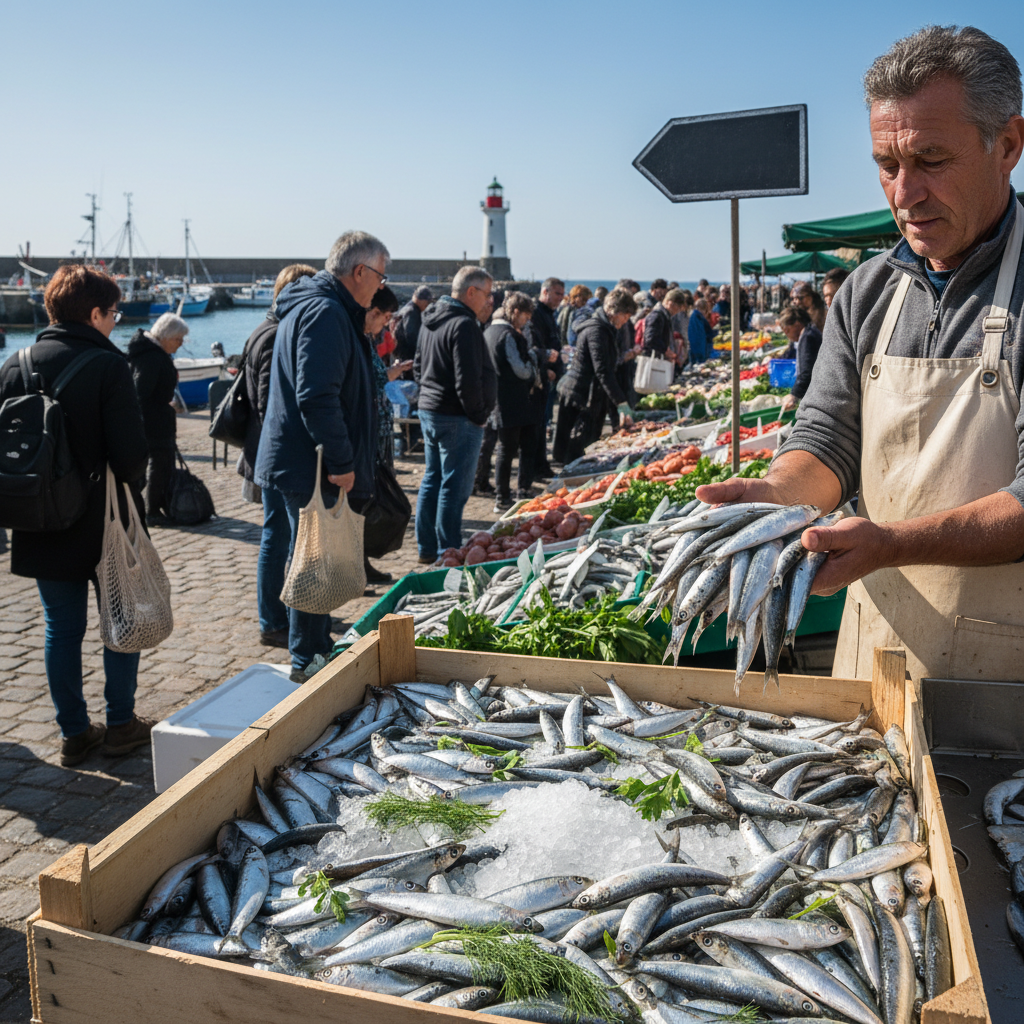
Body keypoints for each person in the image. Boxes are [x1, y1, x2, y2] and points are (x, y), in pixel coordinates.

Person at [696, 24, 1024, 684]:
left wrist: (892, 543)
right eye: (888, 165)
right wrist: (779, 498)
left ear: (1009, 146)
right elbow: (827, 439)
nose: (904, 194)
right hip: (872, 660)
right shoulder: (867, 291)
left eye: (931, 160)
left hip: (1006, 681)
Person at [0, 264, 153, 764]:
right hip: (103, 519)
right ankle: (121, 724)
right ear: (94, 314)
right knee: (122, 619)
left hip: (37, 516)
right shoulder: (108, 365)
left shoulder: (15, 363)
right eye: (114, 314)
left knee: (60, 628)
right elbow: (131, 456)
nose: (115, 322)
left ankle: (73, 732)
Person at [254, 231, 388, 681]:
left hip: (302, 459)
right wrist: (342, 463)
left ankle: (314, 649)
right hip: (311, 464)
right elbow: (317, 396)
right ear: (359, 271)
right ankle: (307, 661)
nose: (380, 287)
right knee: (313, 563)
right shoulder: (326, 312)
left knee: (312, 558)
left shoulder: (320, 306)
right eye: (380, 276)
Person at [238, 264, 318, 649]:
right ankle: (274, 618)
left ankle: (278, 614)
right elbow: (268, 400)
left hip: (267, 449)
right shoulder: (275, 334)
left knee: (278, 534)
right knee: (279, 536)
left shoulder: (264, 328)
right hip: (275, 452)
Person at [414, 265, 496, 562]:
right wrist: (479, 415)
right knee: (453, 486)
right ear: (471, 292)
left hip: (431, 410)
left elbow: (418, 367)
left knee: (433, 479)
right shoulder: (464, 324)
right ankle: (447, 550)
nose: (490, 301)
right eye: (487, 294)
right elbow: (468, 380)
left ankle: (427, 548)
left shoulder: (430, 319)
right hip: (457, 416)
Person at [554, 288, 637, 465]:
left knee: (586, 446)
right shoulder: (596, 331)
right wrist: (621, 403)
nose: (626, 321)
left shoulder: (606, 328)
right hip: (581, 396)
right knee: (577, 450)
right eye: (625, 316)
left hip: (591, 395)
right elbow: (603, 370)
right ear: (614, 312)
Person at [363, 285, 412, 584]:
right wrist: (390, 373)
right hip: (369, 432)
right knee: (367, 500)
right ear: (374, 312)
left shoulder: (368, 338)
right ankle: (358, 564)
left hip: (377, 428)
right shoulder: (358, 337)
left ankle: (363, 561)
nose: (387, 325)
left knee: (371, 499)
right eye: (385, 318)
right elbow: (368, 378)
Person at [126, 312, 186, 525]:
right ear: (166, 336)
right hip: (153, 422)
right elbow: (140, 392)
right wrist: (164, 406)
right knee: (158, 465)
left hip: (154, 420)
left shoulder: (149, 352)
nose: (180, 344)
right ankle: (152, 510)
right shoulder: (152, 357)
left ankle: (154, 506)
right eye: (178, 339)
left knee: (159, 465)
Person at [486, 291, 541, 511]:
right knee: (513, 449)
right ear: (516, 312)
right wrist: (533, 363)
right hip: (514, 400)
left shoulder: (488, 331)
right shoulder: (507, 334)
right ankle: (510, 495)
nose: (526, 321)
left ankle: (507, 495)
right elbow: (520, 369)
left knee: (508, 449)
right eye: (525, 316)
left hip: (499, 398)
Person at [525, 277, 564, 479]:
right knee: (536, 426)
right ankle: (535, 468)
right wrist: (545, 368)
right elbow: (534, 346)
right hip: (539, 376)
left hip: (549, 375)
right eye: (557, 294)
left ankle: (541, 465)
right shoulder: (536, 314)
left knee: (542, 423)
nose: (560, 298)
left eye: (562, 294)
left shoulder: (549, 313)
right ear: (545, 292)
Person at [777, 306, 822, 412]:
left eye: (787, 330)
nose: (787, 335)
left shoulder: (808, 337)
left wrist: (794, 395)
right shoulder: (809, 332)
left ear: (797, 324)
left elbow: (807, 370)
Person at [642, 287, 688, 358]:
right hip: (653, 358)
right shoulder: (657, 315)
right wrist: (665, 350)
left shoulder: (665, 316)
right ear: (670, 303)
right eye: (678, 308)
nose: (678, 311)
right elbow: (651, 338)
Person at [393, 285, 433, 364]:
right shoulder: (411, 312)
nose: (428, 306)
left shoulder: (408, 308)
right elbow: (412, 337)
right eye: (427, 303)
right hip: (408, 357)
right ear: (421, 300)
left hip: (402, 355)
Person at [688, 298, 715, 364]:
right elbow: (699, 338)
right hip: (699, 354)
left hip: (696, 352)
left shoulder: (695, 317)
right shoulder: (697, 318)